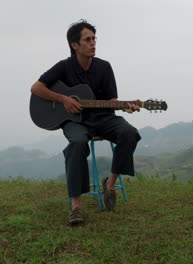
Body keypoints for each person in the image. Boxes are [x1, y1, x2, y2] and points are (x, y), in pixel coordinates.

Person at [31, 19, 141, 225]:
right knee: (77, 143)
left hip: (104, 118)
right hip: (76, 122)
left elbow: (111, 101)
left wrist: (125, 106)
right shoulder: (64, 67)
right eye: (87, 39)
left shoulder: (104, 67)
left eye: (94, 39)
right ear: (75, 45)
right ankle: (76, 207)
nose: (93, 43)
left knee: (129, 133)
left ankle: (110, 183)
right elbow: (36, 88)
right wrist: (63, 99)